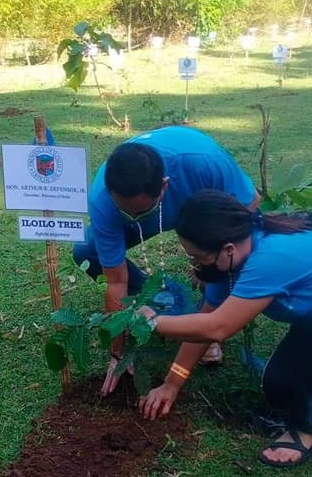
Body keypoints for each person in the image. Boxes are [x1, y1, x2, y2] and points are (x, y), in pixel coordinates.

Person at [136, 190, 312, 468]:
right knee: (279, 386)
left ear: (228, 249)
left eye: (198, 257)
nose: (196, 266)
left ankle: (307, 429)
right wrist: (172, 384)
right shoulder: (229, 262)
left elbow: (218, 328)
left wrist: (152, 322)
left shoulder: (272, 256)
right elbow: (205, 320)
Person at [73, 126, 259, 395]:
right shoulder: (104, 200)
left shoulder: (203, 163)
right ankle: (162, 301)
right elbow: (116, 281)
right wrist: (117, 353)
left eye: (140, 211)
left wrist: (209, 268)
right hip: (152, 206)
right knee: (85, 251)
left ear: (164, 187)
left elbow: (249, 207)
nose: (134, 218)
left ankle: (204, 322)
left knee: (230, 259)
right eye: (125, 211)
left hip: (198, 204)